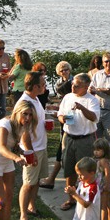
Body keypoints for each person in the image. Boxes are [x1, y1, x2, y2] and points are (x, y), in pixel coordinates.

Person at [58, 73, 100, 211]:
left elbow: (94, 118)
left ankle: (85, 197)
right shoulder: (67, 97)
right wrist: (62, 119)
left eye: (77, 85)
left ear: (86, 87)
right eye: (72, 84)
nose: (73, 87)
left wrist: (82, 108)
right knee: (69, 169)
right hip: (69, 137)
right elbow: (60, 114)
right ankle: (71, 198)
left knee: (85, 170)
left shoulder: (92, 100)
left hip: (85, 139)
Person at [16, 72, 48, 220]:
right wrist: (30, 152)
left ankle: (32, 207)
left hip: (40, 147)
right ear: (35, 86)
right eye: (42, 84)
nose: (45, 86)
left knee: (36, 181)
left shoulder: (35, 99)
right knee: (28, 183)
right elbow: (24, 132)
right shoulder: (25, 103)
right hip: (32, 149)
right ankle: (23, 217)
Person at [39, 61, 73, 189]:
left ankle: (53, 179)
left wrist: (59, 115)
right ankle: (52, 179)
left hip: (70, 125)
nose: (64, 72)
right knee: (62, 150)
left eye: (66, 69)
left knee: (63, 151)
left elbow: (70, 115)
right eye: (62, 70)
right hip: (66, 121)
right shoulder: (60, 84)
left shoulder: (73, 85)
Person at [93, 138, 110, 220]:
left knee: (103, 205)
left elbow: (107, 172)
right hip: (107, 183)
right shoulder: (108, 159)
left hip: (104, 184)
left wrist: (106, 184)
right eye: (95, 150)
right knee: (108, 203)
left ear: (104, 150)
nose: (95, 152)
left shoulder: (102, 161)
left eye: (98, 150)